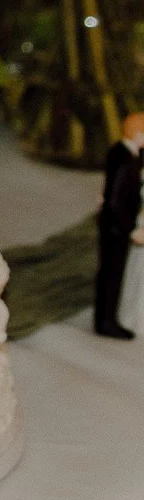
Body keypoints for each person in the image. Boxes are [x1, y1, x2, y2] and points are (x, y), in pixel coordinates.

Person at [95, 111, 144, 339]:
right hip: (117, 227)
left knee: (110, 274)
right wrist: (128, 228)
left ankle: (105, 319)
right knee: (111, 275)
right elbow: (116, 197)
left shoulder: (122, 152)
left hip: (115, 224)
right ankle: (107, 322)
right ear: (138, 134)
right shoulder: (125, 157)